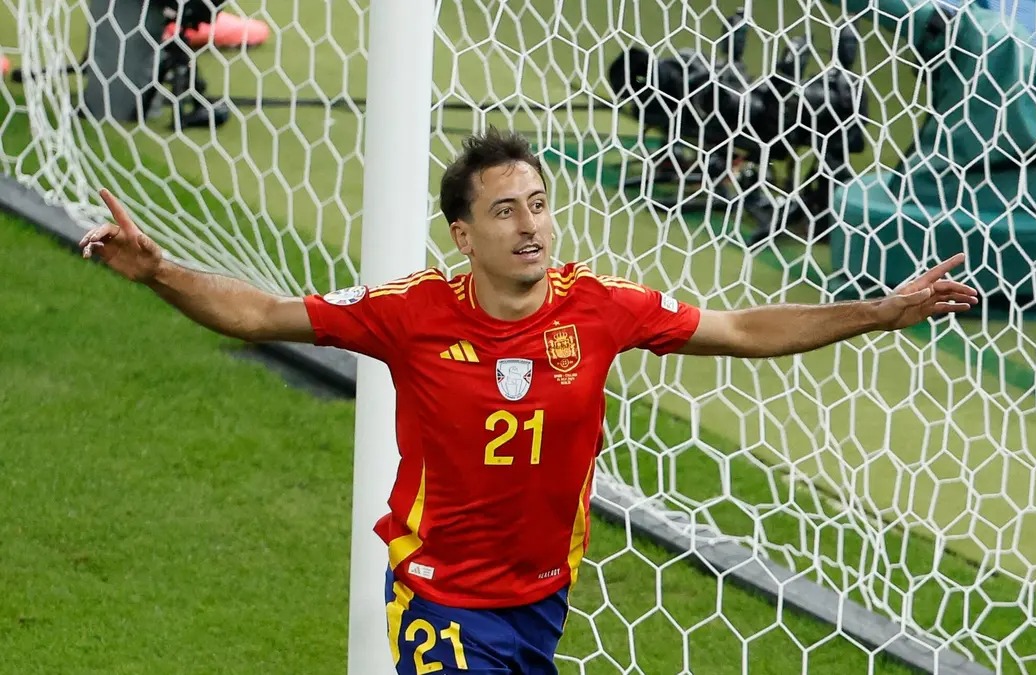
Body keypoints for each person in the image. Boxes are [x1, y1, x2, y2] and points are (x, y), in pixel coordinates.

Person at [79, 127, 978, 674]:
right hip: (442, 599)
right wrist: (159, 272)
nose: (531, 224)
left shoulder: (602, 308)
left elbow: (741, 328)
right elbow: (265, 313)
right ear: (465, 233)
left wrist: (879, 312)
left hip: (544, 593)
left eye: (540, 204)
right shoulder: (411, 312)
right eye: (506, 210)